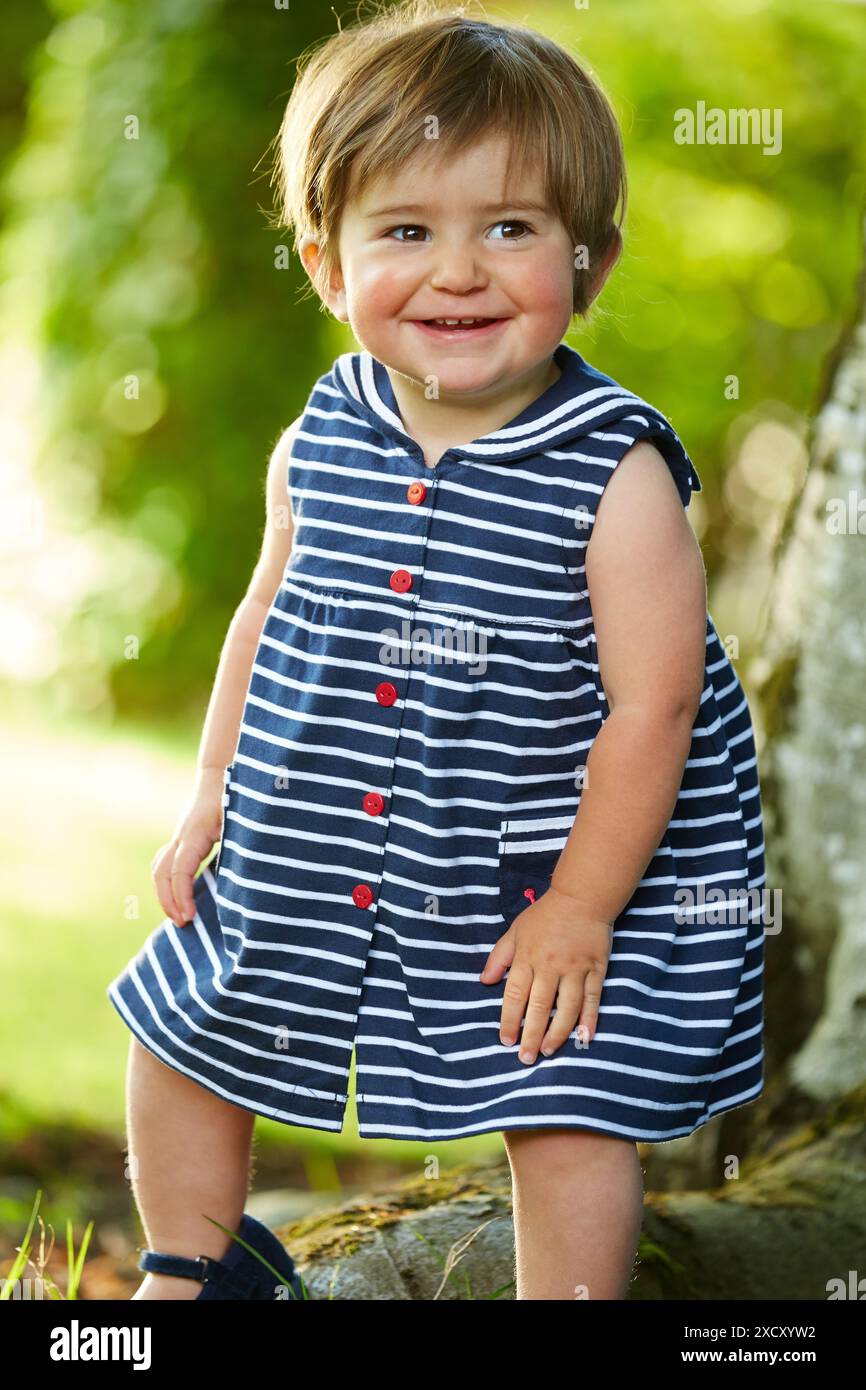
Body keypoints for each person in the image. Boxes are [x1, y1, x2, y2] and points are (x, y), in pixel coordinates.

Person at [107, 0, 766, 1301]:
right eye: (406, 231)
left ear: (590, 261)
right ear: (327, 264)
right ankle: (195, 1269)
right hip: (318, 816)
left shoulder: (614, 471)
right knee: (183, 1019)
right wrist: (210, 794)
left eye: (509, 228)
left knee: (564, 1093)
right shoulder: (322, 433)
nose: (458, 272)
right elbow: (266, 614)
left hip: (541, 848)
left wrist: (580, 906)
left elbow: (657, 705)